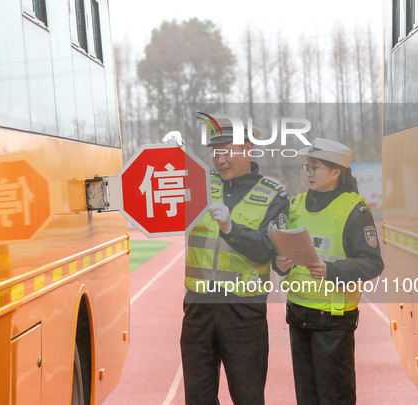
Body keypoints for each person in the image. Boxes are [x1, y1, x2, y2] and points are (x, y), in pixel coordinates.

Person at [164, 117, 290, 405]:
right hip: (198, 308)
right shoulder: (199, 183)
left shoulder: (274, 196)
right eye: (215, 152)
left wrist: (232, 228)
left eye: (227, 151)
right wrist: (168, 156)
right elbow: (162, 199)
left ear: (248, 149)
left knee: (247, 396)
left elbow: (268, 250)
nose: (220, 160)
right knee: (198, 397)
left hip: (244, 311)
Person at [274, 138, 384, 405]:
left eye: (315, 167)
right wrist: (280, 264)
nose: (309, 173)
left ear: (336, 172)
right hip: (298, 317)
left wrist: (331, 270)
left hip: (332, 323)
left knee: (335, 398)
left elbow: (372, 263)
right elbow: (281, 253)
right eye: (307, 167)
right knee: (307, 398)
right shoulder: (295, 205)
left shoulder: (354, 211)